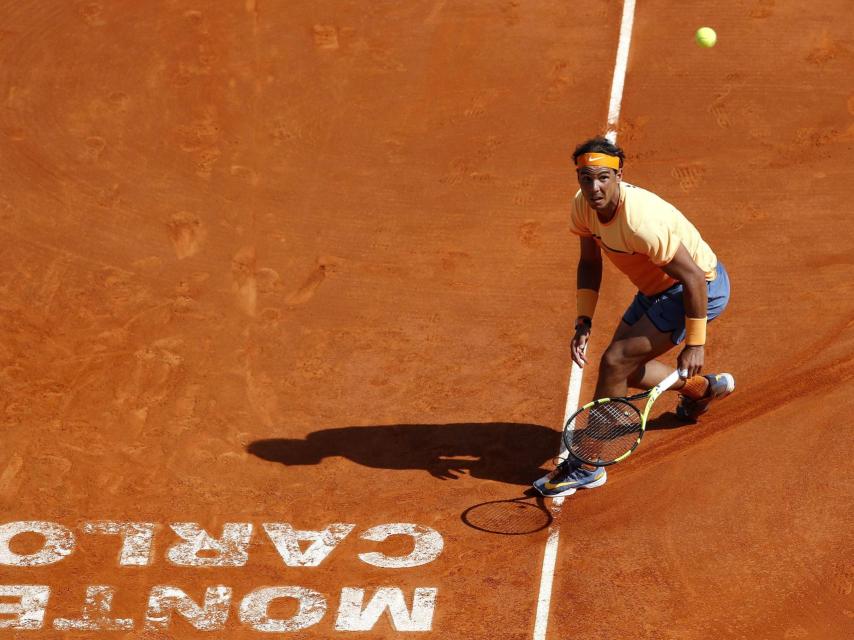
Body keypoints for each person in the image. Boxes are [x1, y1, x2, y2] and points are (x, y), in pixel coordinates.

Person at [534, 136, 734, 498]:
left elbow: (693, 278)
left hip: (696, 288)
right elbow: (589, 261)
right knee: (624, 367)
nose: (594, 187)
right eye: (585, 178)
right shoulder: (583, 207)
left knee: (614, 362)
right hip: (657, 289)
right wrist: (583, 321)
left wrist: (695, 343)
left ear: (618, 175)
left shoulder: (641, 222)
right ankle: (700, 389)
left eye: (603, 178)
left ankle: (589, 464)